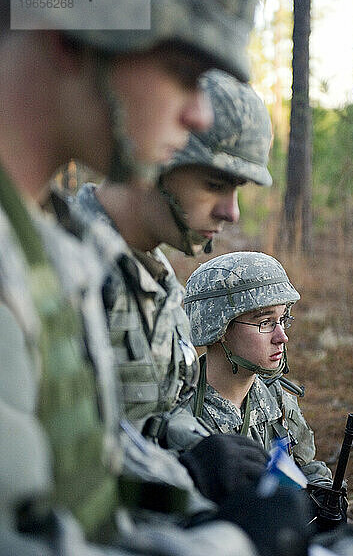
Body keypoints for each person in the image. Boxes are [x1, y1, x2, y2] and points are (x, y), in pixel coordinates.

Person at [0, 0, 278, 554]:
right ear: (73, 28)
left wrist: (204, 498)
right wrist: (231, 544)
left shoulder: (53, 243)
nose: (201, 112)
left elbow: (90, 475)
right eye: (183, 71)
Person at [72, 69, 273, 506]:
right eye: (214, 184)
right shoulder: (65, 269)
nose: (231, 212)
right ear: (156, 161)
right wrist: (187, 472)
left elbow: (158, 417)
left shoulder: (162, 283)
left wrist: (210, 452)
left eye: (237, 190)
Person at [172, 251, 347, 527]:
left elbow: (304, 466)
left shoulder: (276, 398)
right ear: (219, 328)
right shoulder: (178, 411)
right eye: (265, 322)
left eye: (283, 319)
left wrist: (324, 496)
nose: (282, 336)